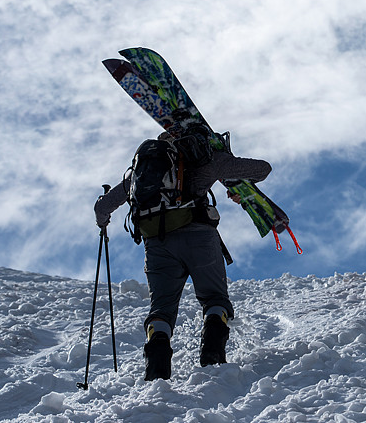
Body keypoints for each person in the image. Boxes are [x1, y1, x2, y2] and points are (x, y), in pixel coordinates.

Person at [94, 131, 271, 380]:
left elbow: (102, 208)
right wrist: (230, 171)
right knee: (214, 298)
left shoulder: (139, 175)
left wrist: (103, 221)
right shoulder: (203, 162)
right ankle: (212, 358)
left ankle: (156, 373)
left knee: (161, 309)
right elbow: (263, 169)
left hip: (157, 245)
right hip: (199, 238)